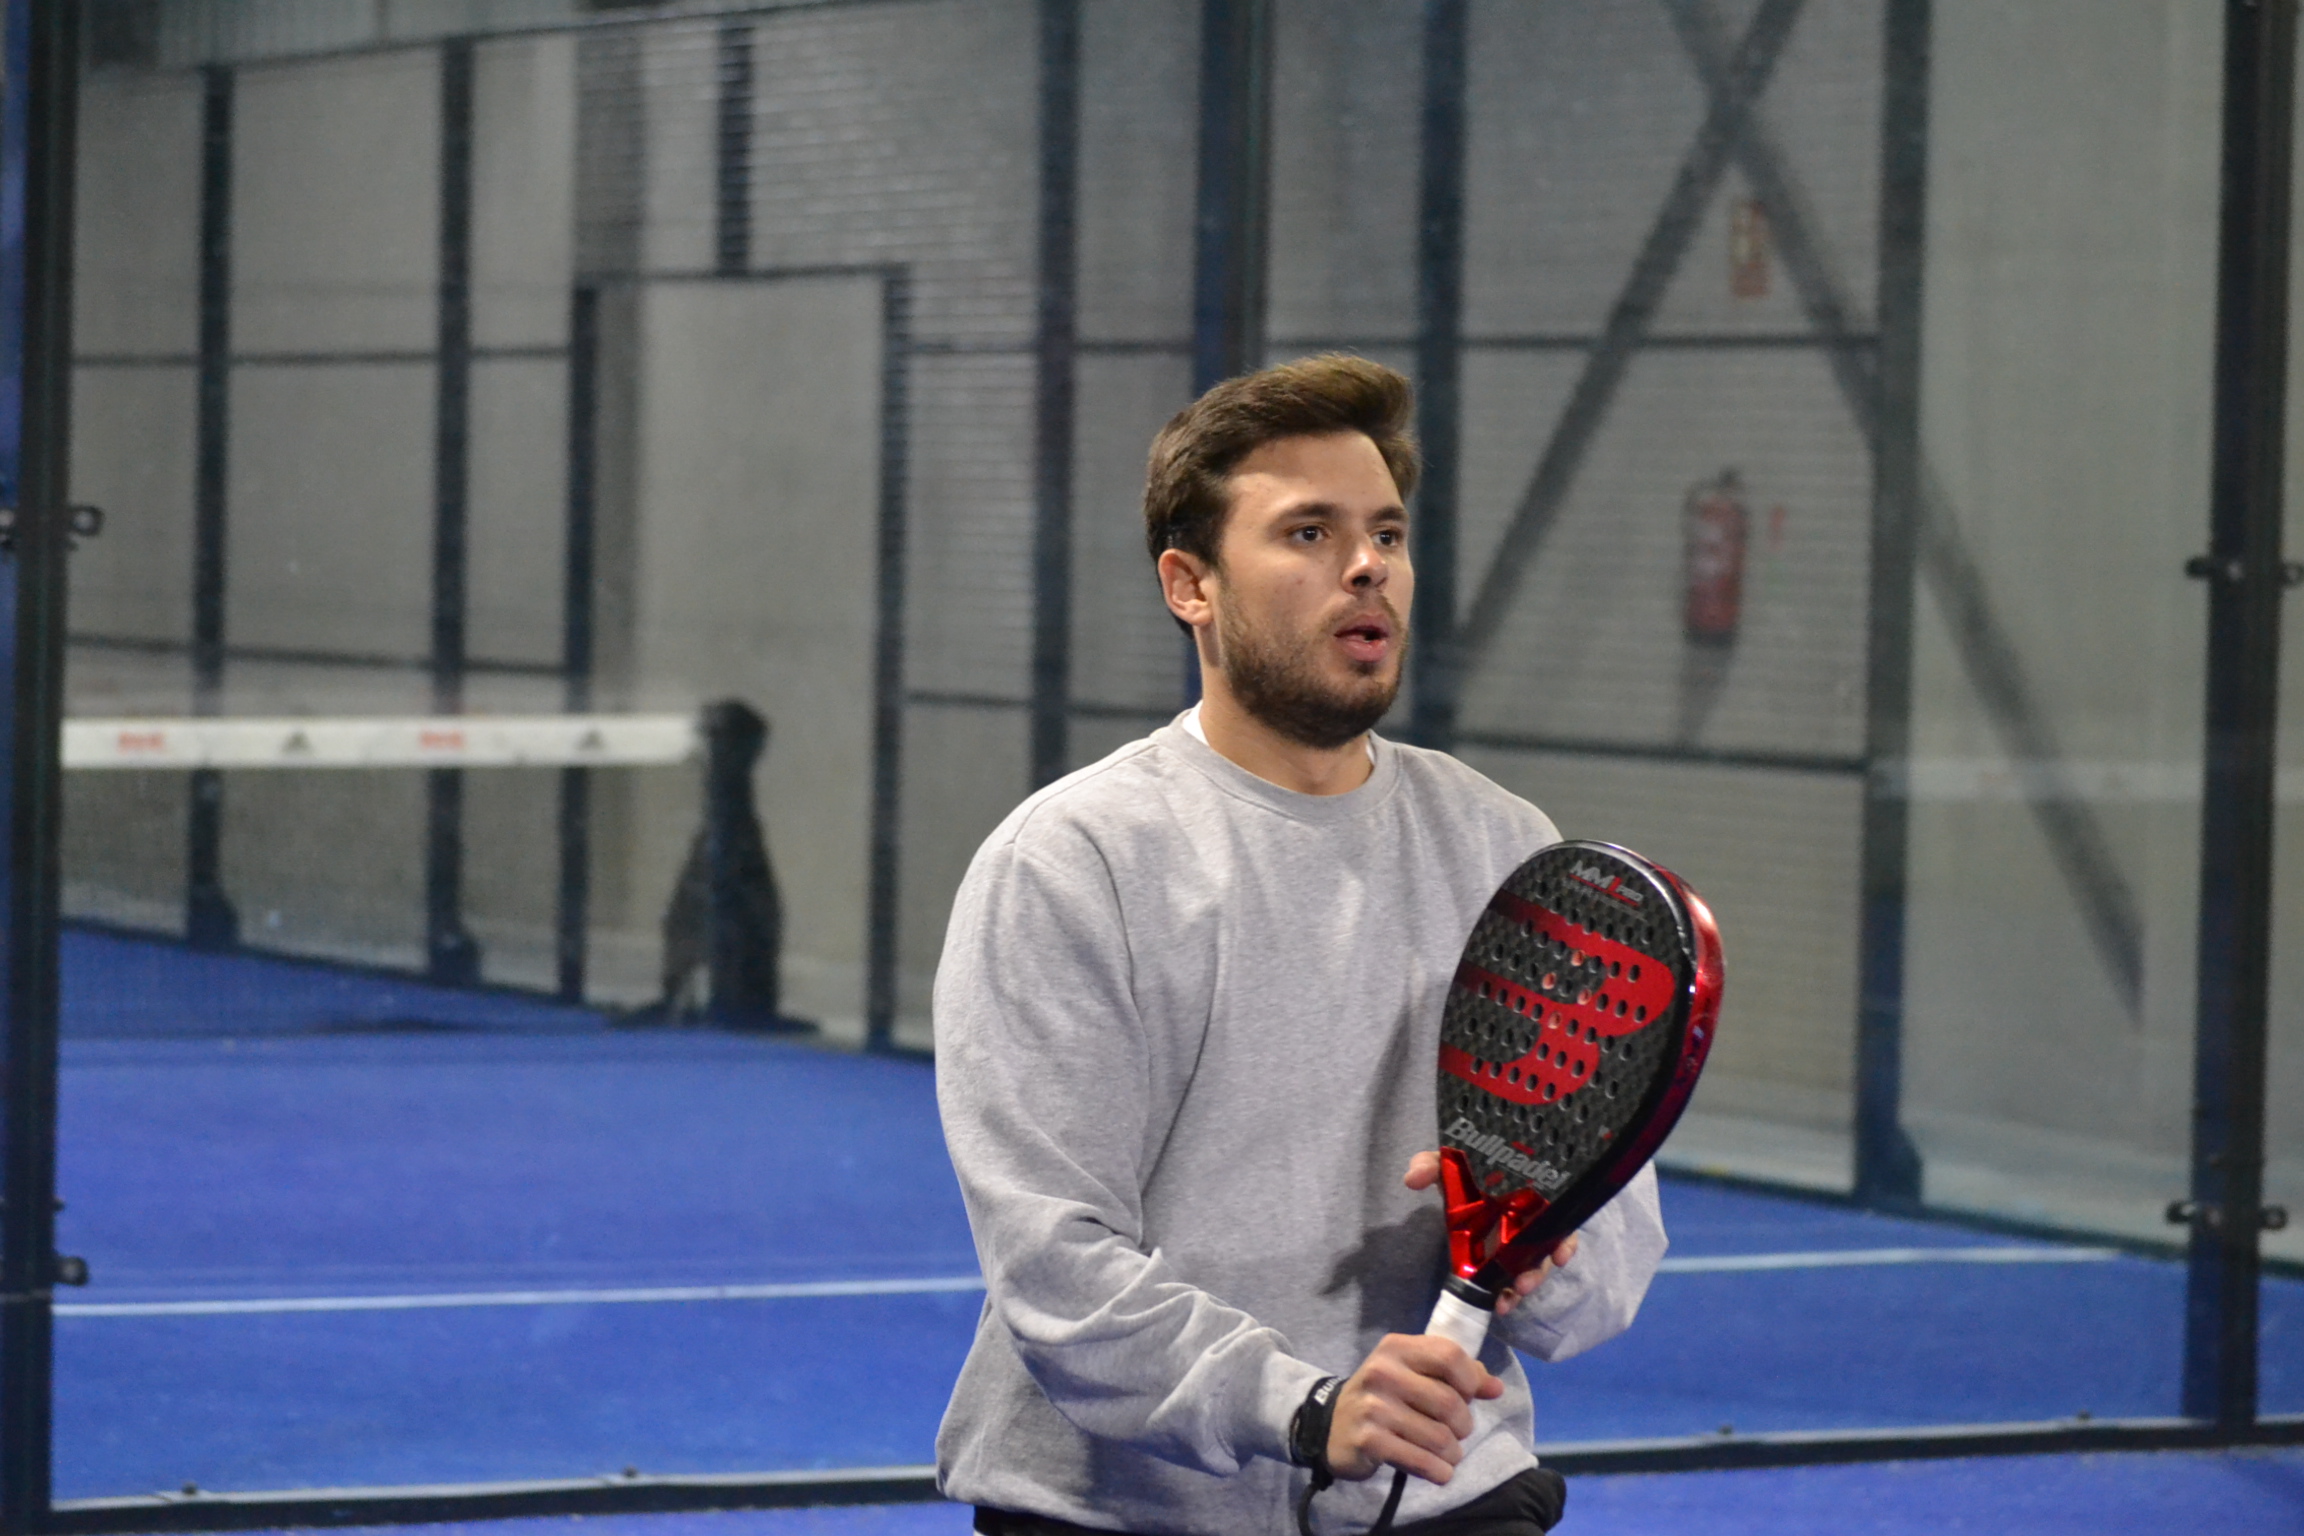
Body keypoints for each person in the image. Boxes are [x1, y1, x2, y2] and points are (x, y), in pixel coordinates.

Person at [934, 355, 1667, 1536]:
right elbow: (1053, 1261)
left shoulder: (1507, 851)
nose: (1366, 565)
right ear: (1191, 585)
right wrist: (1307, 1408)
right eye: (1309, 533)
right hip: (1123, 1515)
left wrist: (1549, 1254)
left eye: (1387, 533)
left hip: (1448, 1495)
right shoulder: (1071, 863)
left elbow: (1611, 1263)